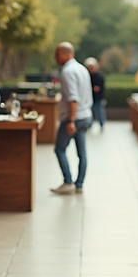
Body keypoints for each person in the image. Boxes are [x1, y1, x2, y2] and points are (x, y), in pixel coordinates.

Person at [51, 42, 93, 195]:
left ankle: (68, 181)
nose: (55, 57)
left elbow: (73, 99)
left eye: (57, 54)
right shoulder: (82, 69)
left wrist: (70, 121)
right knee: (82, 152)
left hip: (74, 118)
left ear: (65, 53)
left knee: (59, 149)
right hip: (86, 115)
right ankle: (79, 184)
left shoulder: (68, 71)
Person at [84, 57, 106, 130]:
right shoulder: (87, 76)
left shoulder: (99, 76)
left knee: (99, 112)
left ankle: (102, 124)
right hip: (90, 97)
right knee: (90, 113)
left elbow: (101, 88)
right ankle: (89, 125)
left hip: (98, 98)